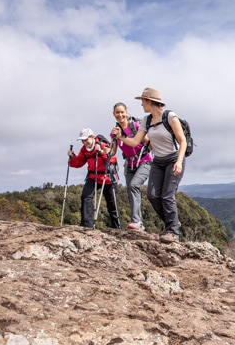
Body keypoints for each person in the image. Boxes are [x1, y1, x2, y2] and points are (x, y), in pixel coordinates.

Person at [112, 87, 186, 243]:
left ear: (150, 101)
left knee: (167, 195)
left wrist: (179, 161)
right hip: (158, 161)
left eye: (143, 101)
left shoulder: (170, 117)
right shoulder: (146, 121)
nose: (141, 105)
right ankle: (172, 222)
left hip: (173, 158)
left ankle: (173, 232)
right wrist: (121, 137)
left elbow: (183, 141)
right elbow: (134, 142)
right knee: (152, 195)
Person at [110, 102, 152, 231]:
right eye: (117, 112)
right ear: (113, 114)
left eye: (122, 112)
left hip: (145, 161)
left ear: (126, 112)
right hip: (129, 164)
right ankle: (138, 223)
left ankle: (136, 221)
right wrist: (101, 150)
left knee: (134, 186)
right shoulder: (114, 133)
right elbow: (112, 152)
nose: (120, 115)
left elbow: (150, 142)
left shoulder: (136, 126)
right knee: (130, 190)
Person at [68, 128, 121, 229]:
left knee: (112, 204)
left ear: (92, 137)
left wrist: (101, 152)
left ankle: (117, 227)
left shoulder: (103, 144)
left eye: (86, 139)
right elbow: (79, 162)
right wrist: (72, 157)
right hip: (93, 176)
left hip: (107, 177)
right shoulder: (84, 149)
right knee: (86, 196)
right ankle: (86, 224)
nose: (84, 142)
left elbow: (112, 159)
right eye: (82, 140)